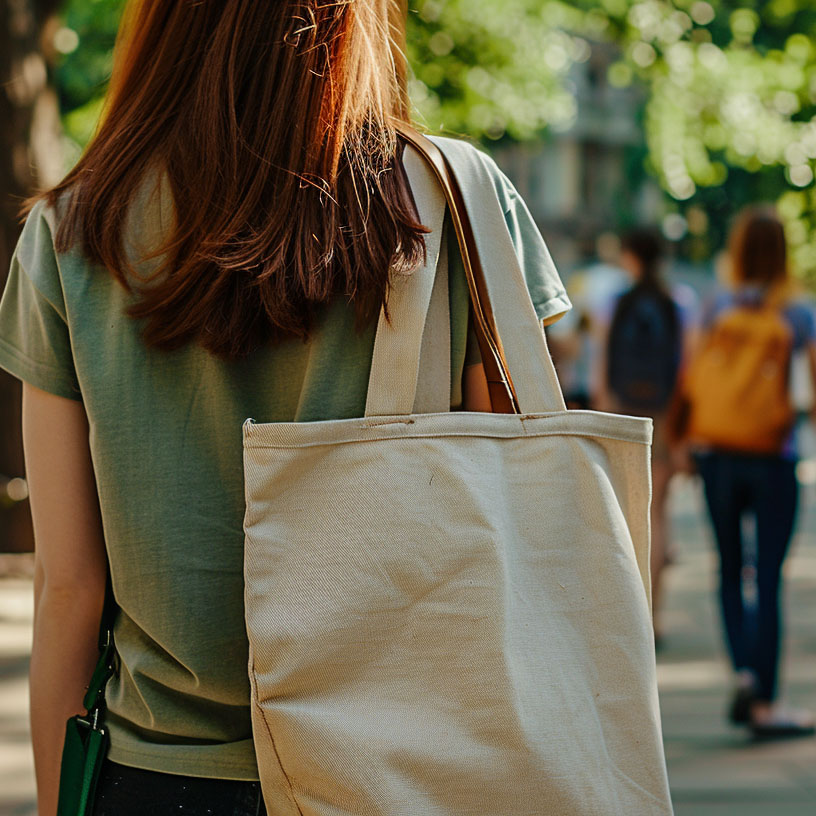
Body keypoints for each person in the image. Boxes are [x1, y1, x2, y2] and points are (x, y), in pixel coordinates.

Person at [0, 2, 571, 814]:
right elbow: (526, 517)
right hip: (405, 766)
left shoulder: (70, 232)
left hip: (158, 776)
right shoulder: (454, 206)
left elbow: (68, 588)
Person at [685, 208, 815, 739]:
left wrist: (684, 442)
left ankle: (743, 668)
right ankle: (765, 700)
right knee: (769, 576)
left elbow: (691, 378)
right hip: (774, 455)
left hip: (717, 452)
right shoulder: (798, 314)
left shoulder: (716, 307)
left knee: (728, 568)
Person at [595, 228, 697, 643]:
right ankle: (653, 619)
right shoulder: (680, 303)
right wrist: (681, 430)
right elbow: (688, 370)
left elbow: (602, 371)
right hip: (664, 418)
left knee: (622, 515)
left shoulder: (614, 303)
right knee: (658, 514)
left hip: (623, 415)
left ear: (630, 257)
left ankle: (625, 619)